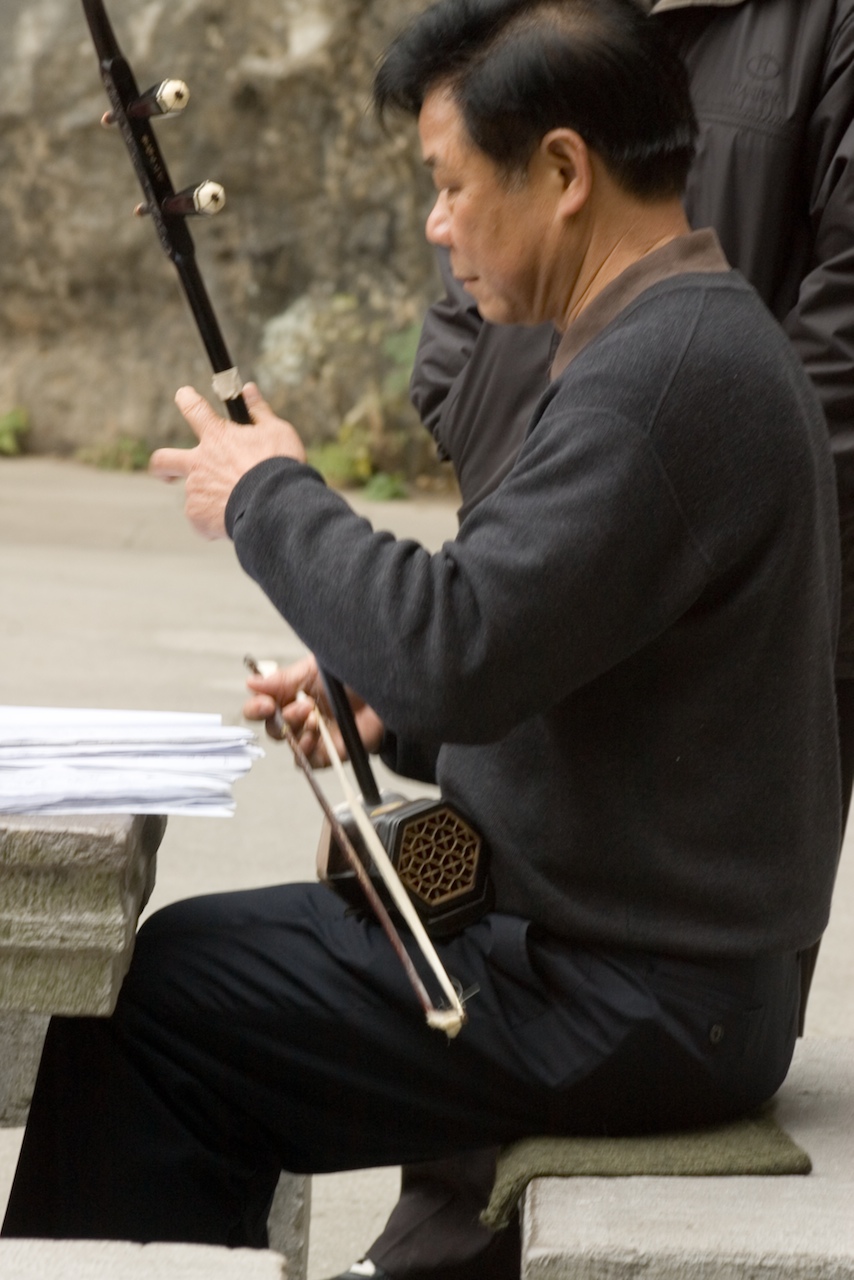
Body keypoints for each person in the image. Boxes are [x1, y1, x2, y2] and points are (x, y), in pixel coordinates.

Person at [1, 0, 842, 1257]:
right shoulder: (670, 340)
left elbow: (454, 645)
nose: (437, 224)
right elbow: (533, 651)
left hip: (636, 1000)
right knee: (180, 979)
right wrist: (381, 706)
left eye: (449, 186)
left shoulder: (665, 376)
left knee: (162, 1007)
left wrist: (268, 493)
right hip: (646, 974)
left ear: (562, 171)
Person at [317, 2, 854, 1275]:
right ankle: (434, 1238)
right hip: (552, 532)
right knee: (471, 936)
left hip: (729, 587)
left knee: (652, 995)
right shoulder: (542, 21)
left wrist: (672, 496)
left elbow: (837, 334)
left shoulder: (825, 26)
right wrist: (523, 486)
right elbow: (470, 215)